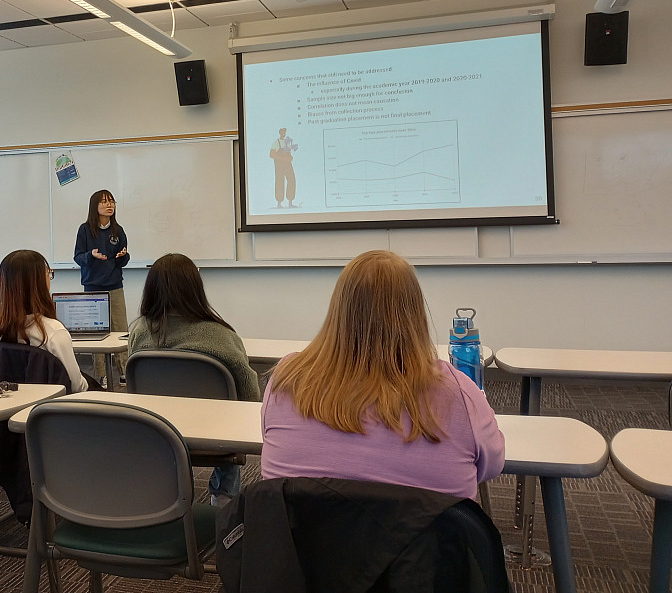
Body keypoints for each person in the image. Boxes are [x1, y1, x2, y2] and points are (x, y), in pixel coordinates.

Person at [261, 250, 504, 500]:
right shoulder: (458, 393)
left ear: (338, 310)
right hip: (426, 539)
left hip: (298, 539)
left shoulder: (286, 380)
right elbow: (493, 465)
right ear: (415, 313)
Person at [128, 253, 259, 505]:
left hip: (157, 432)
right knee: (232, 415)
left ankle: (164, 493)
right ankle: (223, 497)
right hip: (217, 437)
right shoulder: (221, 335)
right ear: (195, 288)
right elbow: (250, 395)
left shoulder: (141, 332)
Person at [0, 249, 89, 393]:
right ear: (40, 283)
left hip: (0, 409)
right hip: (44, 411)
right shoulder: (52, 331)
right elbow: (77, 387)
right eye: (48, 274)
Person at [73, 189, 129, 384]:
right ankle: (102, 375)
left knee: (120, 330)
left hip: (115, 285)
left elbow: (123, 258)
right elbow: (78, 257)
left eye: (112, 201)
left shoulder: (118, 230)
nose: (109, 205)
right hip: (93, 287)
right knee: (97, 334)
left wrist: (124, 257)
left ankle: (124, 372)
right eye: (105, 202)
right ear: (94, 206)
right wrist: (91, 255)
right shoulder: (85, 230)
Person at [269, 127, 298, 207]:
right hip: (279, 165)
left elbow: (288, 153)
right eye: (282, 132)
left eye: (285, 132)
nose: (284, 134)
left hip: (287, 164)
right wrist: (283, 159)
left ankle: (290, 202)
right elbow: (272, 154)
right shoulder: (276, 143)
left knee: (292, 180)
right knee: (279, 181)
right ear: (280, 133)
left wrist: (290, 157)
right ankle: (279, 203)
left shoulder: (287, 142)